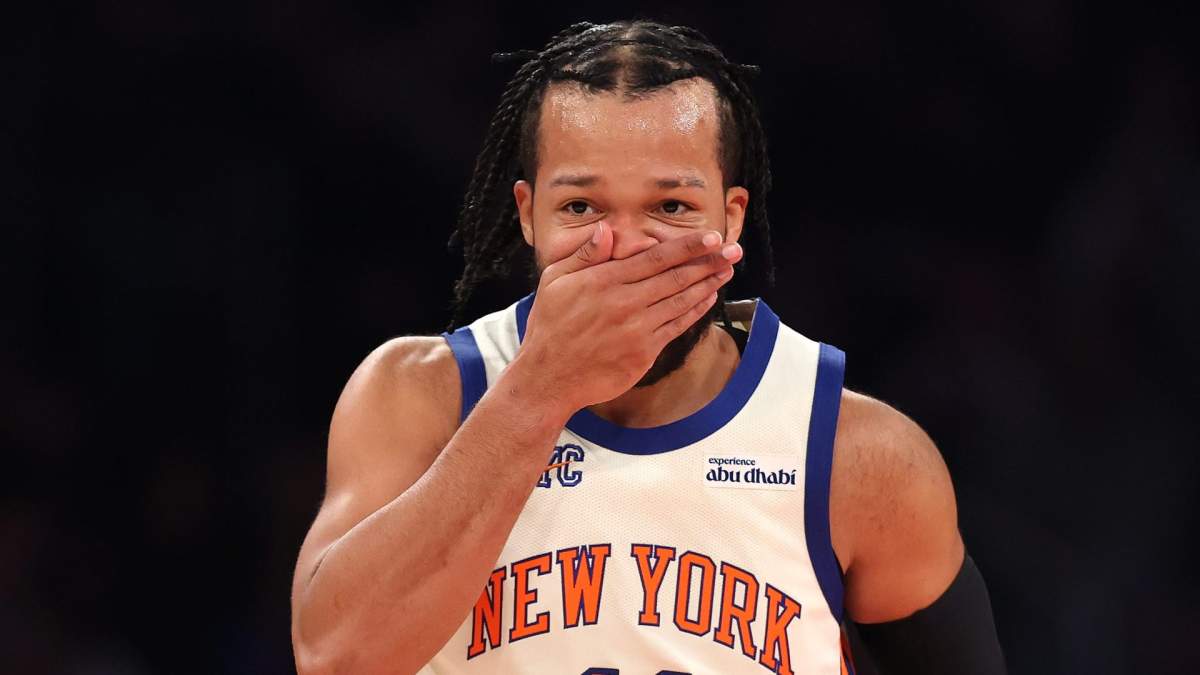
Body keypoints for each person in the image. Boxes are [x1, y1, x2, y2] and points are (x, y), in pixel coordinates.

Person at [290, 19, 1006, 675]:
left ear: (730, 218)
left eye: (670, 207)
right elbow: (333, 659)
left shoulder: (862, 456)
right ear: (529, 215)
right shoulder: (418, 399)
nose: (626, 247)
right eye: (581, 206)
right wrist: (540, 389)